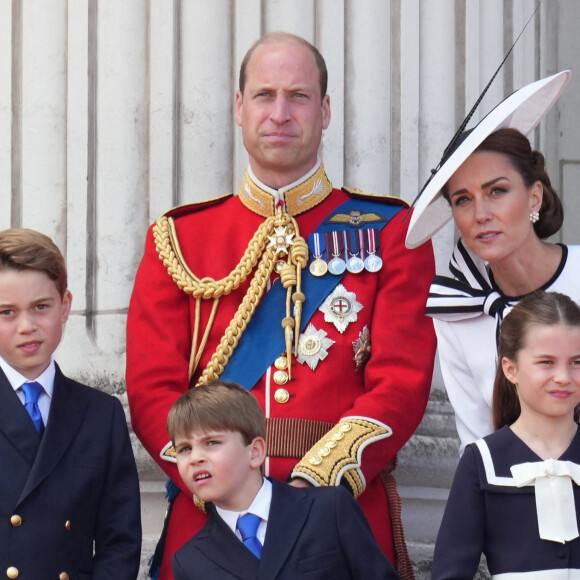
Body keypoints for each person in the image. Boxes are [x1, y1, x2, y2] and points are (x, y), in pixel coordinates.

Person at [127, 32, 436, 580]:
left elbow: (402, 381)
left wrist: (313, 488)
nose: (280, 112)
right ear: (239, 109)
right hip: (211, 513)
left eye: (298, 96)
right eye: (265, 95)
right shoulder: (179, 238)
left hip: (337, 511)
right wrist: (215, 481)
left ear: (325, 111)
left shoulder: (391, 231)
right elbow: (152, 389)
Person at [404, 70, 578, 453]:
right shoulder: (456, 310)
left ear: (534, 198)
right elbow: (477, 445)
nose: (480, 213)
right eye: (463, 200)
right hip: (514, 500)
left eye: (497, 191)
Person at [0, 228, 142, 579]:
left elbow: (119, 542)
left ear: (65, 306)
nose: (27, 326)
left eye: (41, 307)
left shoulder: (101, 415)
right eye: (7, 312)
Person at [168, 380, 400, 579]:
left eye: (212, 443)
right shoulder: (190, 561)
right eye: (184, 449)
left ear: (255, 452)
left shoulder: (329, 509)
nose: (195, 458)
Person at [431, 291, 580, 578]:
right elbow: (451, 571)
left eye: (576, 361)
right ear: (511, 369)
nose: (563, 376)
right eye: (546, 362)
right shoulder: (482, 461)